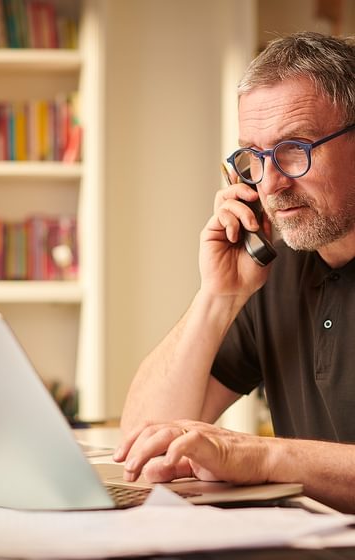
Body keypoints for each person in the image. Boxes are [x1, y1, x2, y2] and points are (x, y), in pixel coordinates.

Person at [115, 31, 355, 513]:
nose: (270, 183)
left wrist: (264, 455)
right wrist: (218, 295)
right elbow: (143, 442)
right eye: (255, 156)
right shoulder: (274, 262)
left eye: (295, 148)